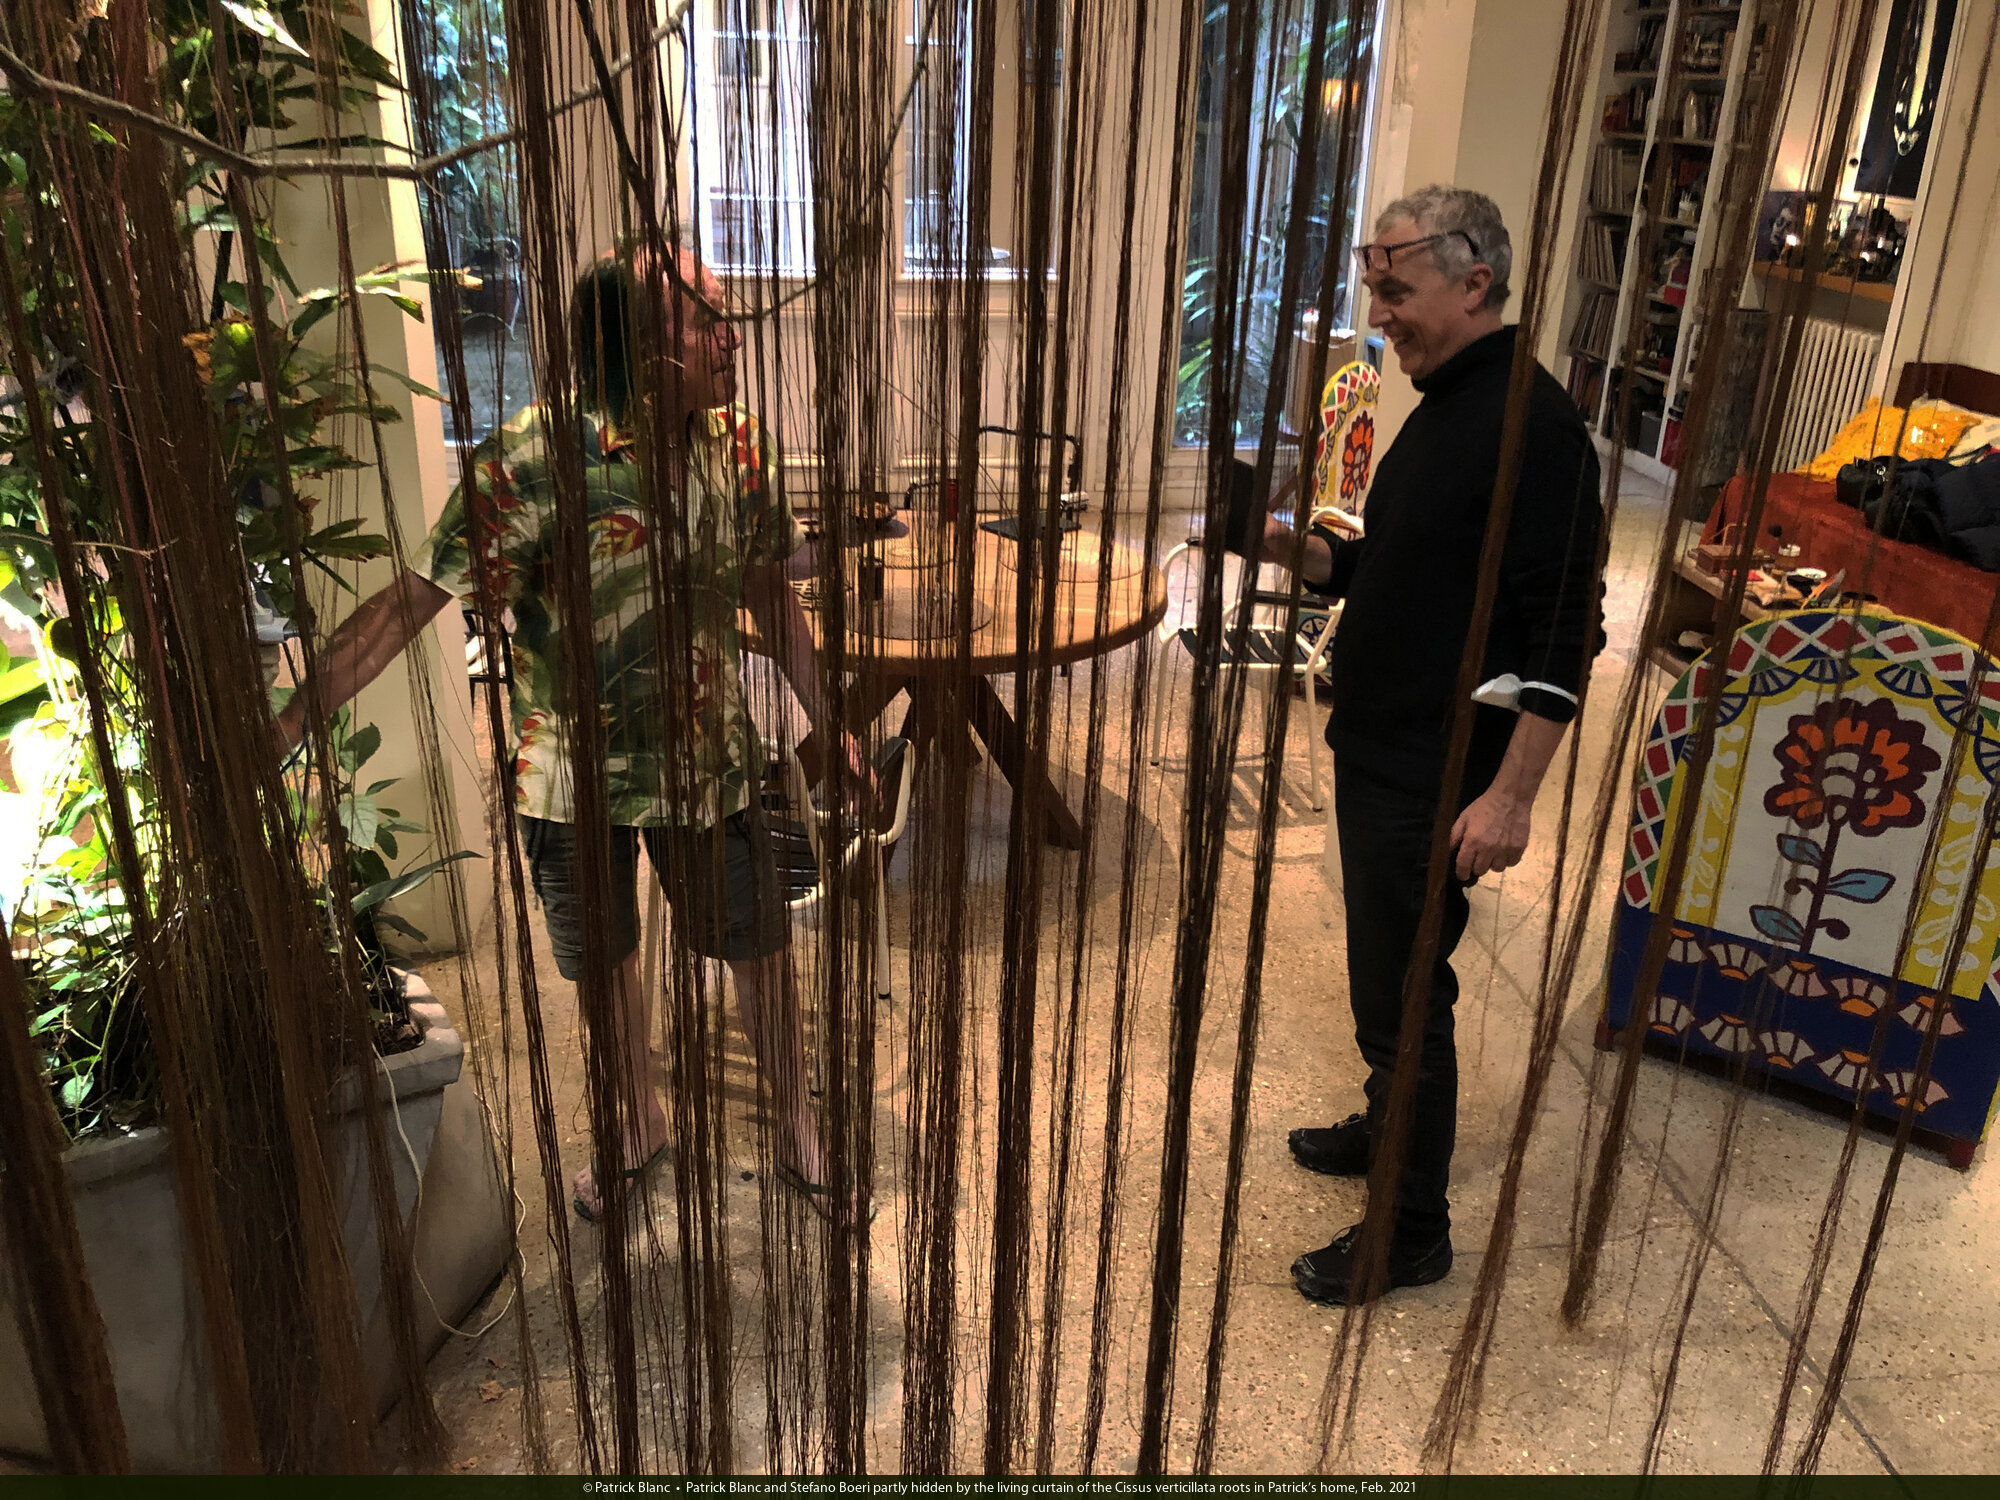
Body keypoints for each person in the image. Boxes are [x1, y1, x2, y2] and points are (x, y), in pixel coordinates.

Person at [274, 246, 868, 1225]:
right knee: (604, 963)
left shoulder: (740, 447)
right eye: (705, 320)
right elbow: (407, 607)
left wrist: (828, 719)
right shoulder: (530, 461)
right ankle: (636, 1122)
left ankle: (799, 1130)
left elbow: (770, 593)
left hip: (709, 763)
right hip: (569, 777)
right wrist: (293, 720)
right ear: (637, 345)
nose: (733, 338)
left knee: (759, 948)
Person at [1262, 186, 1605, 1305]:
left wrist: (1509, 798)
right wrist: (1298, 553)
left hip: (1436, 769)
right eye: (1375, 290)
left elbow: (1566, 636)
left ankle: (1411, 1229)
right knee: (1384, 980)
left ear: (1474, 282)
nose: (1380, 316)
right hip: (1383, 745)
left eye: (1396, 291)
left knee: (1405, 997)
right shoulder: (1449, 399)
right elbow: (1393, 567)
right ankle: (1386, 1129)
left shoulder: (1533, 430)